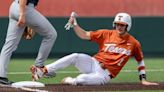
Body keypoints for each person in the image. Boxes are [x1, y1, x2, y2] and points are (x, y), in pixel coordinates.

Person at [30, 12, 158, 85]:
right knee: (75, 56)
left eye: (122, 25)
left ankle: (70, 80)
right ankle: (43, 70)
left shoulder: (134, 43)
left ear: (127, 26)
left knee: (81, 79)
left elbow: (140, 61)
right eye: (117, 24)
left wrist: (143, 79)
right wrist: (75, 24)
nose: (119, 27)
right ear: (114, 24)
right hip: (93, 62)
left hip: (105, 74)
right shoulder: (106, 33)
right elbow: (84, 34)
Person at [0, 0, 57, 85]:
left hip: (15, 7)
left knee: (9, 45)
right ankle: (39, 67)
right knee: (51, 34)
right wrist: (22, 14)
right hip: (24, 8)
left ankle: (1, 77)